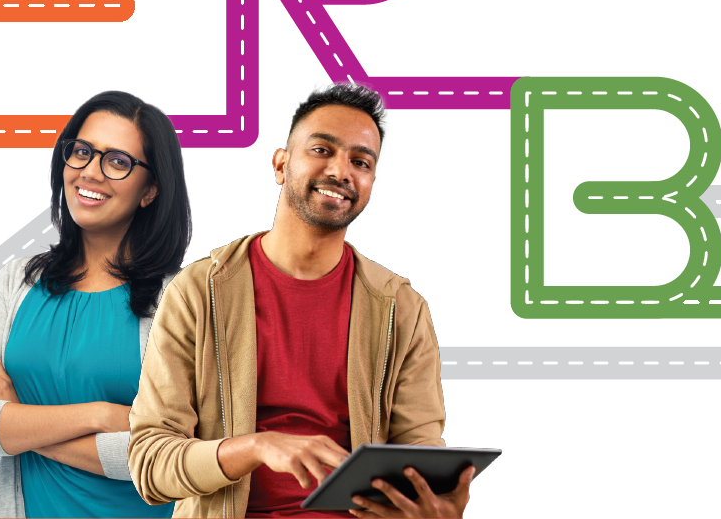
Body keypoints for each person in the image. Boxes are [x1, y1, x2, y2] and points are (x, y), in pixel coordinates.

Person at [128, 84, 474, 518]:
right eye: (321, 149)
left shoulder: (400, 309)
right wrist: (256, 446)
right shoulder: (198, 292)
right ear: (280, 163)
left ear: (369, 183)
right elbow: (150, 464)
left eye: (361, 162)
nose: (341, 171)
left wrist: (433, 507)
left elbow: (420, 456)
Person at [0, 90, 191, 518]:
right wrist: (100, 415)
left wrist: (17, 419)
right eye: (81, 152)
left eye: (118, 161)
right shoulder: (18, 281)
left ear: (150, 189)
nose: (90, 173)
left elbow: (157, 457)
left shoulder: (180, 299)